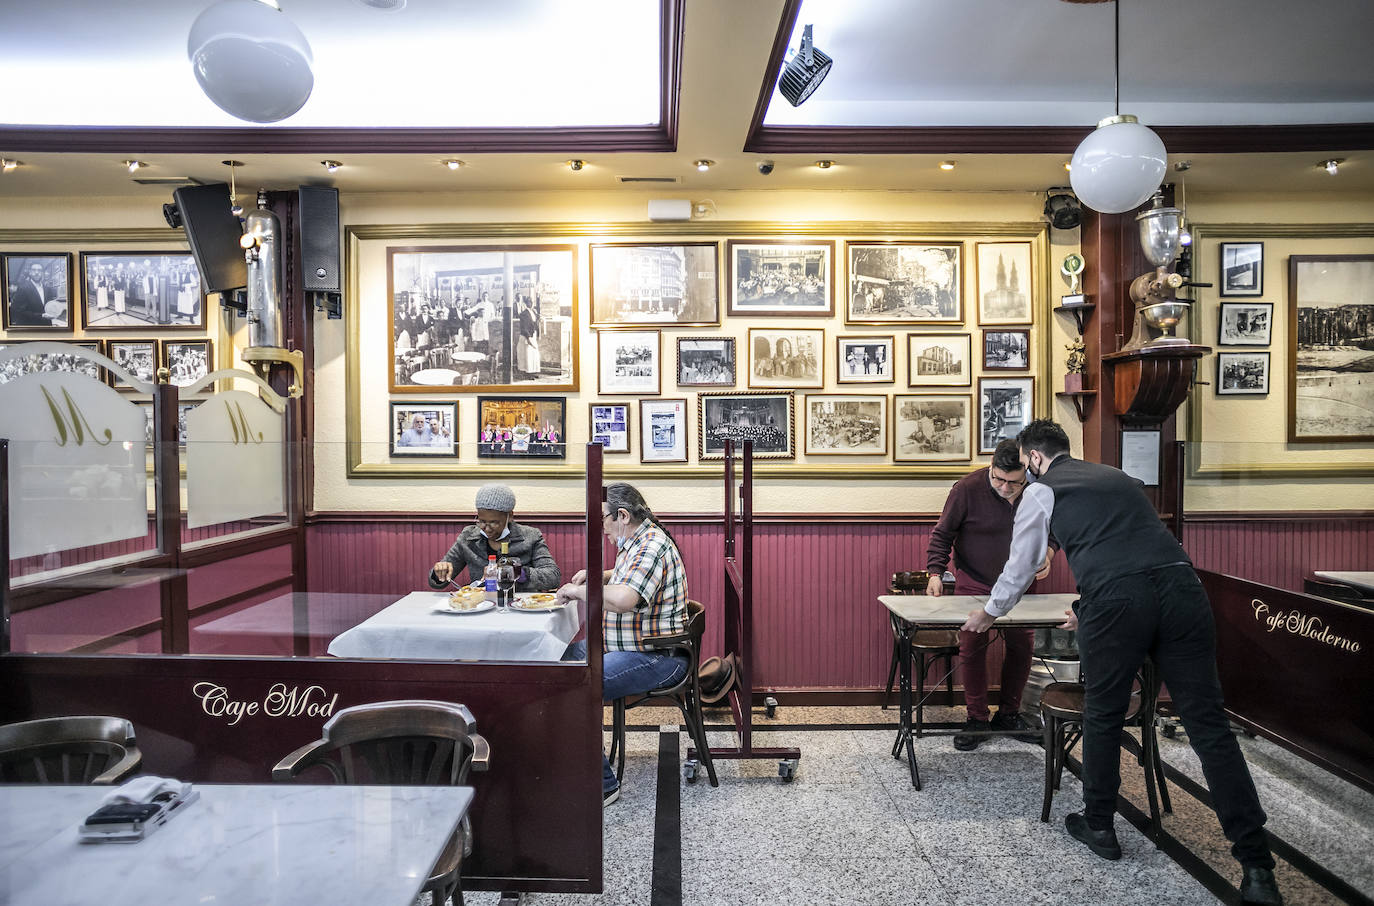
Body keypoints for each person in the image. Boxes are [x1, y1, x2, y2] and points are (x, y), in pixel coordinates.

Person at [963, 420, 1280, 906]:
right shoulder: (1115, 476)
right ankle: (1258, 867)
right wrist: (1087, 603)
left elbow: (1022, 564)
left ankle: (1100, 827)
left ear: (1031, 458)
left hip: (1119, 601)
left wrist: (988, 614)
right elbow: (1135, 548)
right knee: (1209, 728)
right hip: (1182, 588)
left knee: (1104, 714)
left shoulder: (1042, 491)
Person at [557, 482, 688, 806]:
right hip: (628, 649)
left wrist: (578, 591)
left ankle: (602, 784)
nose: (601, 528)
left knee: (575, 684)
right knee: (554, 663)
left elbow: (626, 598)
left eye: (603, 518)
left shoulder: (650, 546)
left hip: (657, 657)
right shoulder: (638, 542)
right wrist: (600, 574)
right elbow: (628, 575)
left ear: (623, 515)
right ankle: (573, 759)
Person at [927, 438, 1053, 750]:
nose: (1007, 488)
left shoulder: (1038, 490)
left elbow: (1056, 528)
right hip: (975, 580)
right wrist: (934, 572)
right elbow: (943, 533)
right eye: (1000, 479)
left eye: (1015, 482)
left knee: (1022, 646)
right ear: (991, 467)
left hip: (1021, 582)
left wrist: (1049, 553)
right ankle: (977, 719)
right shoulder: (967, 488)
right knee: (972, 645)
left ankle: (1009, 713)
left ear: (1026, 474)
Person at [428, 484, 560, 592]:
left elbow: (553, 576)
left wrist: (517, 572)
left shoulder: (530, 536)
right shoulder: (468, 537)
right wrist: (439, 572)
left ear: (510, 516)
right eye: (481, 521)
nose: (486, 528)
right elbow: (437, 583)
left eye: (494, 522)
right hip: (481, 605)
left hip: (520, 605)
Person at [9, 261, 52, 326]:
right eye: (34, 270)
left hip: (46, 325)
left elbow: (48, 305)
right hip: (30, 326)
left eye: (39, 270)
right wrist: (41, 315)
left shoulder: (47, 289)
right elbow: (17, 310)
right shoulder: (23, 288)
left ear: (42, 273)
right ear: (30, 272)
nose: (36, 272)